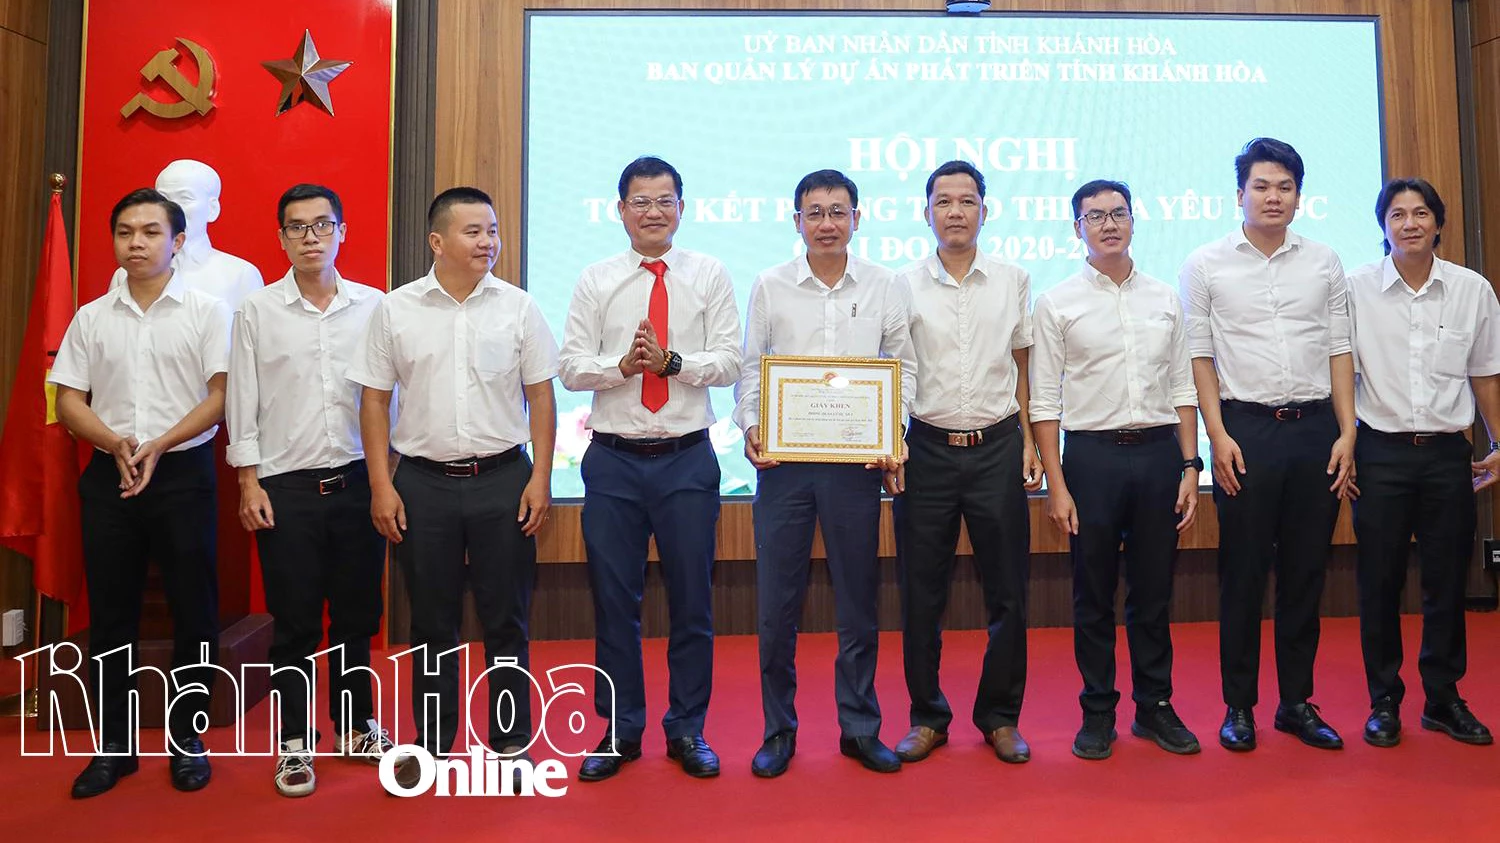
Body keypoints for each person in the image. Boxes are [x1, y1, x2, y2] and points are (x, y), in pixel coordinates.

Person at [349, 187, 558, 780]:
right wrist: (381, 485)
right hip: (423, 483)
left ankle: (510, 743)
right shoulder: (395, 309)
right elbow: (373, 400)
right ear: (437, 241)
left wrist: (541, 478)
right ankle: (435, 745)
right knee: (432, 623)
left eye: (492, 230)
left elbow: (542, 396)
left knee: (506, 619)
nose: (488, 242)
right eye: (474, 232)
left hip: (503, 479)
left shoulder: (519, 307)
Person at [560, 157, 741, 781]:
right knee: (615, 603)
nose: (653, 211)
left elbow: (730, 361)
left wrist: (671, 364)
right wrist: (624, 368)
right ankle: (620, 729)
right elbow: (571, 367)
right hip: (613, 462)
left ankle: (688, 728)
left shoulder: (709, 274)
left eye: (665, 200)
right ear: (620, 210)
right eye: (641, 201)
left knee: (693, 602)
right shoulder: (596, 279)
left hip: (686, 459)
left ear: (681, 209)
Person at [735, 169, 915, 777]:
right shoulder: (770, 284)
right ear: (797, 221)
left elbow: (902, 368)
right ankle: (778, 731)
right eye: (815, 213)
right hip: (784, 467)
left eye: (839, 212)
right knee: (776, 606)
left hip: (855, 466)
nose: (827, 223)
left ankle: (860, 729)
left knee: (858, 601)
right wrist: (752, 425)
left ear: (857, 219)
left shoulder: (886, 284)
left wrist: (893, 434)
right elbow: (752, 368)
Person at [50, 188, 230, 797]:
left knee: (194, 611)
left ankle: (188, 742)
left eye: (151, 232)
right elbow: (68, 399)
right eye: (125, 232)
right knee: (111, 615)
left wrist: (160, 443)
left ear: (177, 241)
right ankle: (114, 749)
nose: (137, 242)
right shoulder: (92, 317)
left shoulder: (207, 311)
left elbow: (221, 395)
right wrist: (115, 442)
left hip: (183, 473)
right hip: (111, 475)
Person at [1181, 137, 1356, 752]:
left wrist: (1347, 432)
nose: (1273, 196)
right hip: (1245, 431)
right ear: (1240, 194)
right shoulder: (1205, 264)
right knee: (1244, 573)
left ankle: (1297, 703)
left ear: (1299, 197)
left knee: (1306, 571)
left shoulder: (1325, 261)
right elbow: (1199, 356)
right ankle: (1239, 706)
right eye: (1261, 185)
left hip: (1315, 430)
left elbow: (1339, 350)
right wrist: (1217, 434)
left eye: (1284, 187)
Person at [225, 184, 393, 797]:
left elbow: (391, 395)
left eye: (322, 225)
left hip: (358, 480)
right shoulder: (256, 311)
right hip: (284, 486)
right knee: (295, 623)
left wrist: (389, 476)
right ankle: (294, 741)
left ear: (342, 232)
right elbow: (242, 398)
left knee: (356, 615)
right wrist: (248, 479)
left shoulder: (375, 306)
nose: (310, 237)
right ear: (281, 238)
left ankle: (354, 727)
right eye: (296, 227)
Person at [1031, 179, 1202, 761]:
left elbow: (1182, 388)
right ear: (1077, 228)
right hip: (1092, 459)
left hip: (1158, 454)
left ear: (1133, 221)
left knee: (1154, 591)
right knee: (1093, 593)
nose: (1109, 224)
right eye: (1096, 216)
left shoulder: (1164, 297)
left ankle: (1155, 706)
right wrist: (1057, 485)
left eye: (1119, 213)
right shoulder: (1057, 302)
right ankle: (1098, 710)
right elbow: (1045, 401)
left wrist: (1189, 466)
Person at [890, 160, 1040, 766]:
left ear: (985, 210)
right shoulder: (901, 285)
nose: (956, 211)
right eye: (944, 201)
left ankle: (1001, 717)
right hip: (926, 449)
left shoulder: (1013, 280)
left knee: (1009, 592)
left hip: (998, 446)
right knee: (921, 593)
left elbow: (1024, 363)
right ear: (926, 211)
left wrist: (1030, 440)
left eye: (967, 201)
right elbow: (892, 369)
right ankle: (927, 716)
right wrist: (892, 442)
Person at [1346, 177, 1500, 747]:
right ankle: (1383, 701)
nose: (1409, 223)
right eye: (1397, 214)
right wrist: (1345, 444)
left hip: (1445, 455)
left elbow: (1484, 373)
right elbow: (1339, 373)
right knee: (1379, 581)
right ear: (1383, 226)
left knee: (1447, 580)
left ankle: (1443, 698)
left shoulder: (1471, 290)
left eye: (1420, 213)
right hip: (1379, 452)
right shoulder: (1355, 289)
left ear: (1438, 223)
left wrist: (1499, 443)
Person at [108, 159, 264, 309]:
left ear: (212, 208)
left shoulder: (240, 275)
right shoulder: (126, 274)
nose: (174, 209)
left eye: (185, 198)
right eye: (165, 199)